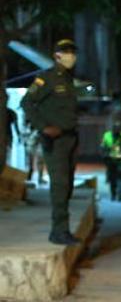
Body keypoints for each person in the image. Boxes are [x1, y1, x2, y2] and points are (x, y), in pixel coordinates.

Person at [21, 39, 81, 245]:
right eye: (66, 52)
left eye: (73, 52)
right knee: (60, 185)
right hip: (55, 141)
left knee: (68, 185)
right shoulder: (47, 78)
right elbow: (27, 103)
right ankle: (59, 231)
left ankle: (63, 229)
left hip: (70, 139)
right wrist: (43, 127)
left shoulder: (68, 79)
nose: (71, 56)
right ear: (56, 55)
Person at [101, 120, 121, 202]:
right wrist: (105, 156)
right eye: (116, 130)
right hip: (111, 160)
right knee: (112, 178)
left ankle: (120, 193)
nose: (117, 131)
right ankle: (113, 194)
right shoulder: (107, 136)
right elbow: (103, 147)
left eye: (118, 130)